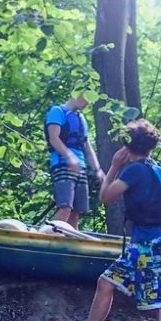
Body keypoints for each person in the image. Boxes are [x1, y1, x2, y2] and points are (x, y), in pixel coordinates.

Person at [58, 118, 161, 321]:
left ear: (127, 146)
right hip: (142, 246)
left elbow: (106, 196)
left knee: (159, 303)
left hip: (149, 247)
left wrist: (114, 166)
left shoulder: (134, 170)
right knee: (106, 282)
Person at [45, 93, 105, 229]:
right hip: (63, 164)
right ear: (77, 94)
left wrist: (97, 169)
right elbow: (53, 138)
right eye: (87, 99)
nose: (87, 104)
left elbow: (87, 147)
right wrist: (70, 157)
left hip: (81, 167)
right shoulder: (58, 111)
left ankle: (70, 243)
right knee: (65, 207)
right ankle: (51, 237)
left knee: (75, 212)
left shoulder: (81, 118)